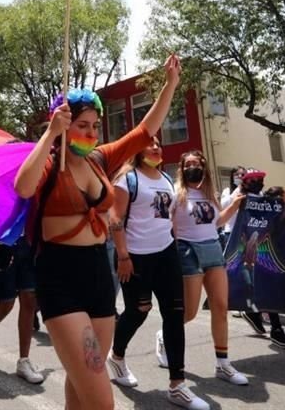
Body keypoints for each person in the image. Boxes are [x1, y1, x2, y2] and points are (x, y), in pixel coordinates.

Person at [13, 55, 190, 410]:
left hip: (99, 276)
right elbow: (23, 187)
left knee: (81, 388)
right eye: (82, 125)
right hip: (60, 279)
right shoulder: (49, 162)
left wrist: (170, 85)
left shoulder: (99, 159)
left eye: (95, 125)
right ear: (65, 125)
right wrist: (50, 134)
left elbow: (144, 132)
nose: (91, 133)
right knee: (101, 399)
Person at [103, 139, 209, 408]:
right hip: (135, 257)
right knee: (139, 310)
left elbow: (169, 216)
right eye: (149, 144)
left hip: (165, 255)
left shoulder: (164, 178)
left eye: (159, 144)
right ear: (137, 150)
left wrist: (174, 242)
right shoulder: (127, 179)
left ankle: (177, 384)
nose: (156, 147)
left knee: (174, 313)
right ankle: (116, 356)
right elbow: (115, 218)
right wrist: (124, 256)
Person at [167, 150, 250, 385]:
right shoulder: (176, 193)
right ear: (182, 169)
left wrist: (234, 205)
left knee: (221, 307)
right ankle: (166, 334)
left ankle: (223, 364)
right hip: (187, 251)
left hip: (213, 249)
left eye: (197, 162)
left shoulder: (208, 193)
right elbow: (168, 227)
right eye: (188, 163)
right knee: (190, 312)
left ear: (204, 167)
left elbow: (217, 222)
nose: (193, 166)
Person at [234, 177, 285, 349]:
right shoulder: (242, 199)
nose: (260, 182)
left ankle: (254, 314)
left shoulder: (268, 204)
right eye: (255, 180)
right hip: (256, 250)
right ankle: (275, 329)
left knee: (267, 288)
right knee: (270, 288)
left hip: (272, 250)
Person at [0, 233, 45, 384]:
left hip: (28, 243)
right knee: (7, 303)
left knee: (29, 299)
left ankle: (24, 360)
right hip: (2, 243)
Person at [219, 166, 246, 249]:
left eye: (242, 174)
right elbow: (223, 206)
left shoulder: (252, 191)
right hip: (231, 231)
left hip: (247, 231)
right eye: (237, 174)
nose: (240, 176)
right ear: (232, 177)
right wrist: (238, 190)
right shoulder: (227, 191)